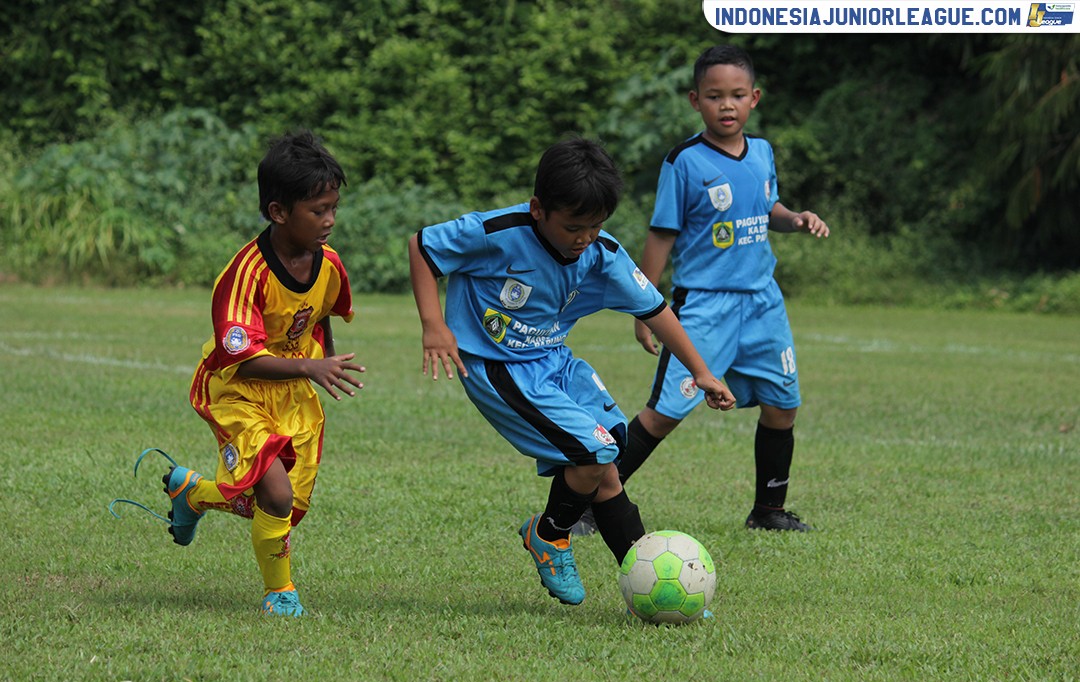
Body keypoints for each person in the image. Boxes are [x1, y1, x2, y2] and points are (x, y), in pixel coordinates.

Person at [408, 136, 735, 606]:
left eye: (596, 225)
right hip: (498, 367)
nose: (584, 237)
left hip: (555, 362)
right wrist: (433, 325)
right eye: (574, 226)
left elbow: (655, 309)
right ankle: (549, 533)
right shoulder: (498, 232)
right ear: (539, 209)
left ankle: (649, 587)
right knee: (593, 452)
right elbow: (422, 246)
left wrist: (701, 371)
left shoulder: (601, 252)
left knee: (610, 462)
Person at [576, 44, 829, 536]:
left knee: (783, 405)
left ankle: (769, 510)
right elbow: (661, 234)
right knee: (664, 414)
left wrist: (795, 219)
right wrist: (643, 307)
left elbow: (768, 208)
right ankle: (588, 505)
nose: (727, 105)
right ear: (696, 100)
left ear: (754, 98)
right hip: (704, 307)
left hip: (762, 303)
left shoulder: (762, 153)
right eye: (715, 96)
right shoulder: (684, 162)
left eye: (737, 95)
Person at [118, 130, 365, 616]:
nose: (330, 220)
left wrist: (322, 365)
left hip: (292, 393)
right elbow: (243, 360)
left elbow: (320, 315)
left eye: (334, 207)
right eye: (318, 211)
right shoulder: (244, 274)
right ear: (278, 212)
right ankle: (281, 592)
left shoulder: (329, 264)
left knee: (283, 507)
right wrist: (311, 364)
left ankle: (193, 493)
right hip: (239, 389)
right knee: (273, 491)